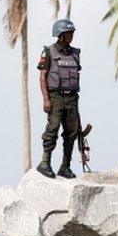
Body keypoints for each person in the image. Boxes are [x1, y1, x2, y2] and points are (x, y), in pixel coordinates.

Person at [36, 19, 81, 179]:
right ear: (61, 35)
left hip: (72, 98)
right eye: (69, 33)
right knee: (52, 129)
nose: (72, 36)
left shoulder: (75, 53)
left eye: (72, 33)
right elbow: (43, 77)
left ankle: (65, 166)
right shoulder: (48, 52)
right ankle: (44, 163)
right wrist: (46, 99)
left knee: (71, 133)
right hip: (55, 97)